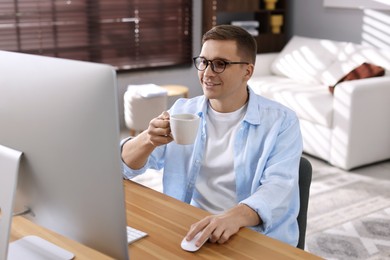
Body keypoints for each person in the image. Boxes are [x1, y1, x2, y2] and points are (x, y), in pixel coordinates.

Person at [121, 25, 303, 248]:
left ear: (247, 71)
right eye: (204, 62)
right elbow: (123, 168)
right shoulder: (182, 111)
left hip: (253, 234)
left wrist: (233, 217)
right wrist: (148, 139)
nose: (207, 73)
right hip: (191, 226)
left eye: (220, 64)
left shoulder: (282, 122)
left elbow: (279, 188)